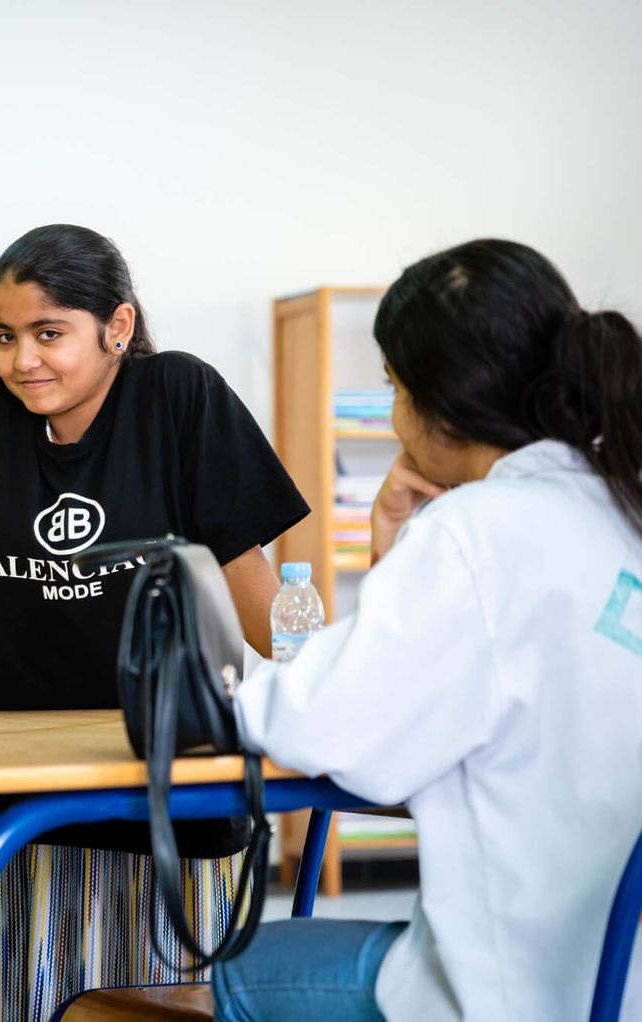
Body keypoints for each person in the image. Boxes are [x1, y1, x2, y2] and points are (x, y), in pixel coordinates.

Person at [0, 225, 309, 1020]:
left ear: (117, 328)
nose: (24, 360)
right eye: (6, 336)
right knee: (28, 1004)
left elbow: (248, 579)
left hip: (170, 785)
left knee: (151, 1008)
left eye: (50, 334)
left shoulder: (179, 397)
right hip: (21, 792)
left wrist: (325, 681)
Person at [217, 239, 642, 1021]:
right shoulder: (617, 509)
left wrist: (214, 696)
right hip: (616, 982)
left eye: (394, 387)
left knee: (239, 964)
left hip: (511, 996)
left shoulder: (479, 531)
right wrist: (394, 544)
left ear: (439, 404)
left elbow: (323, 725)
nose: (392, 414)